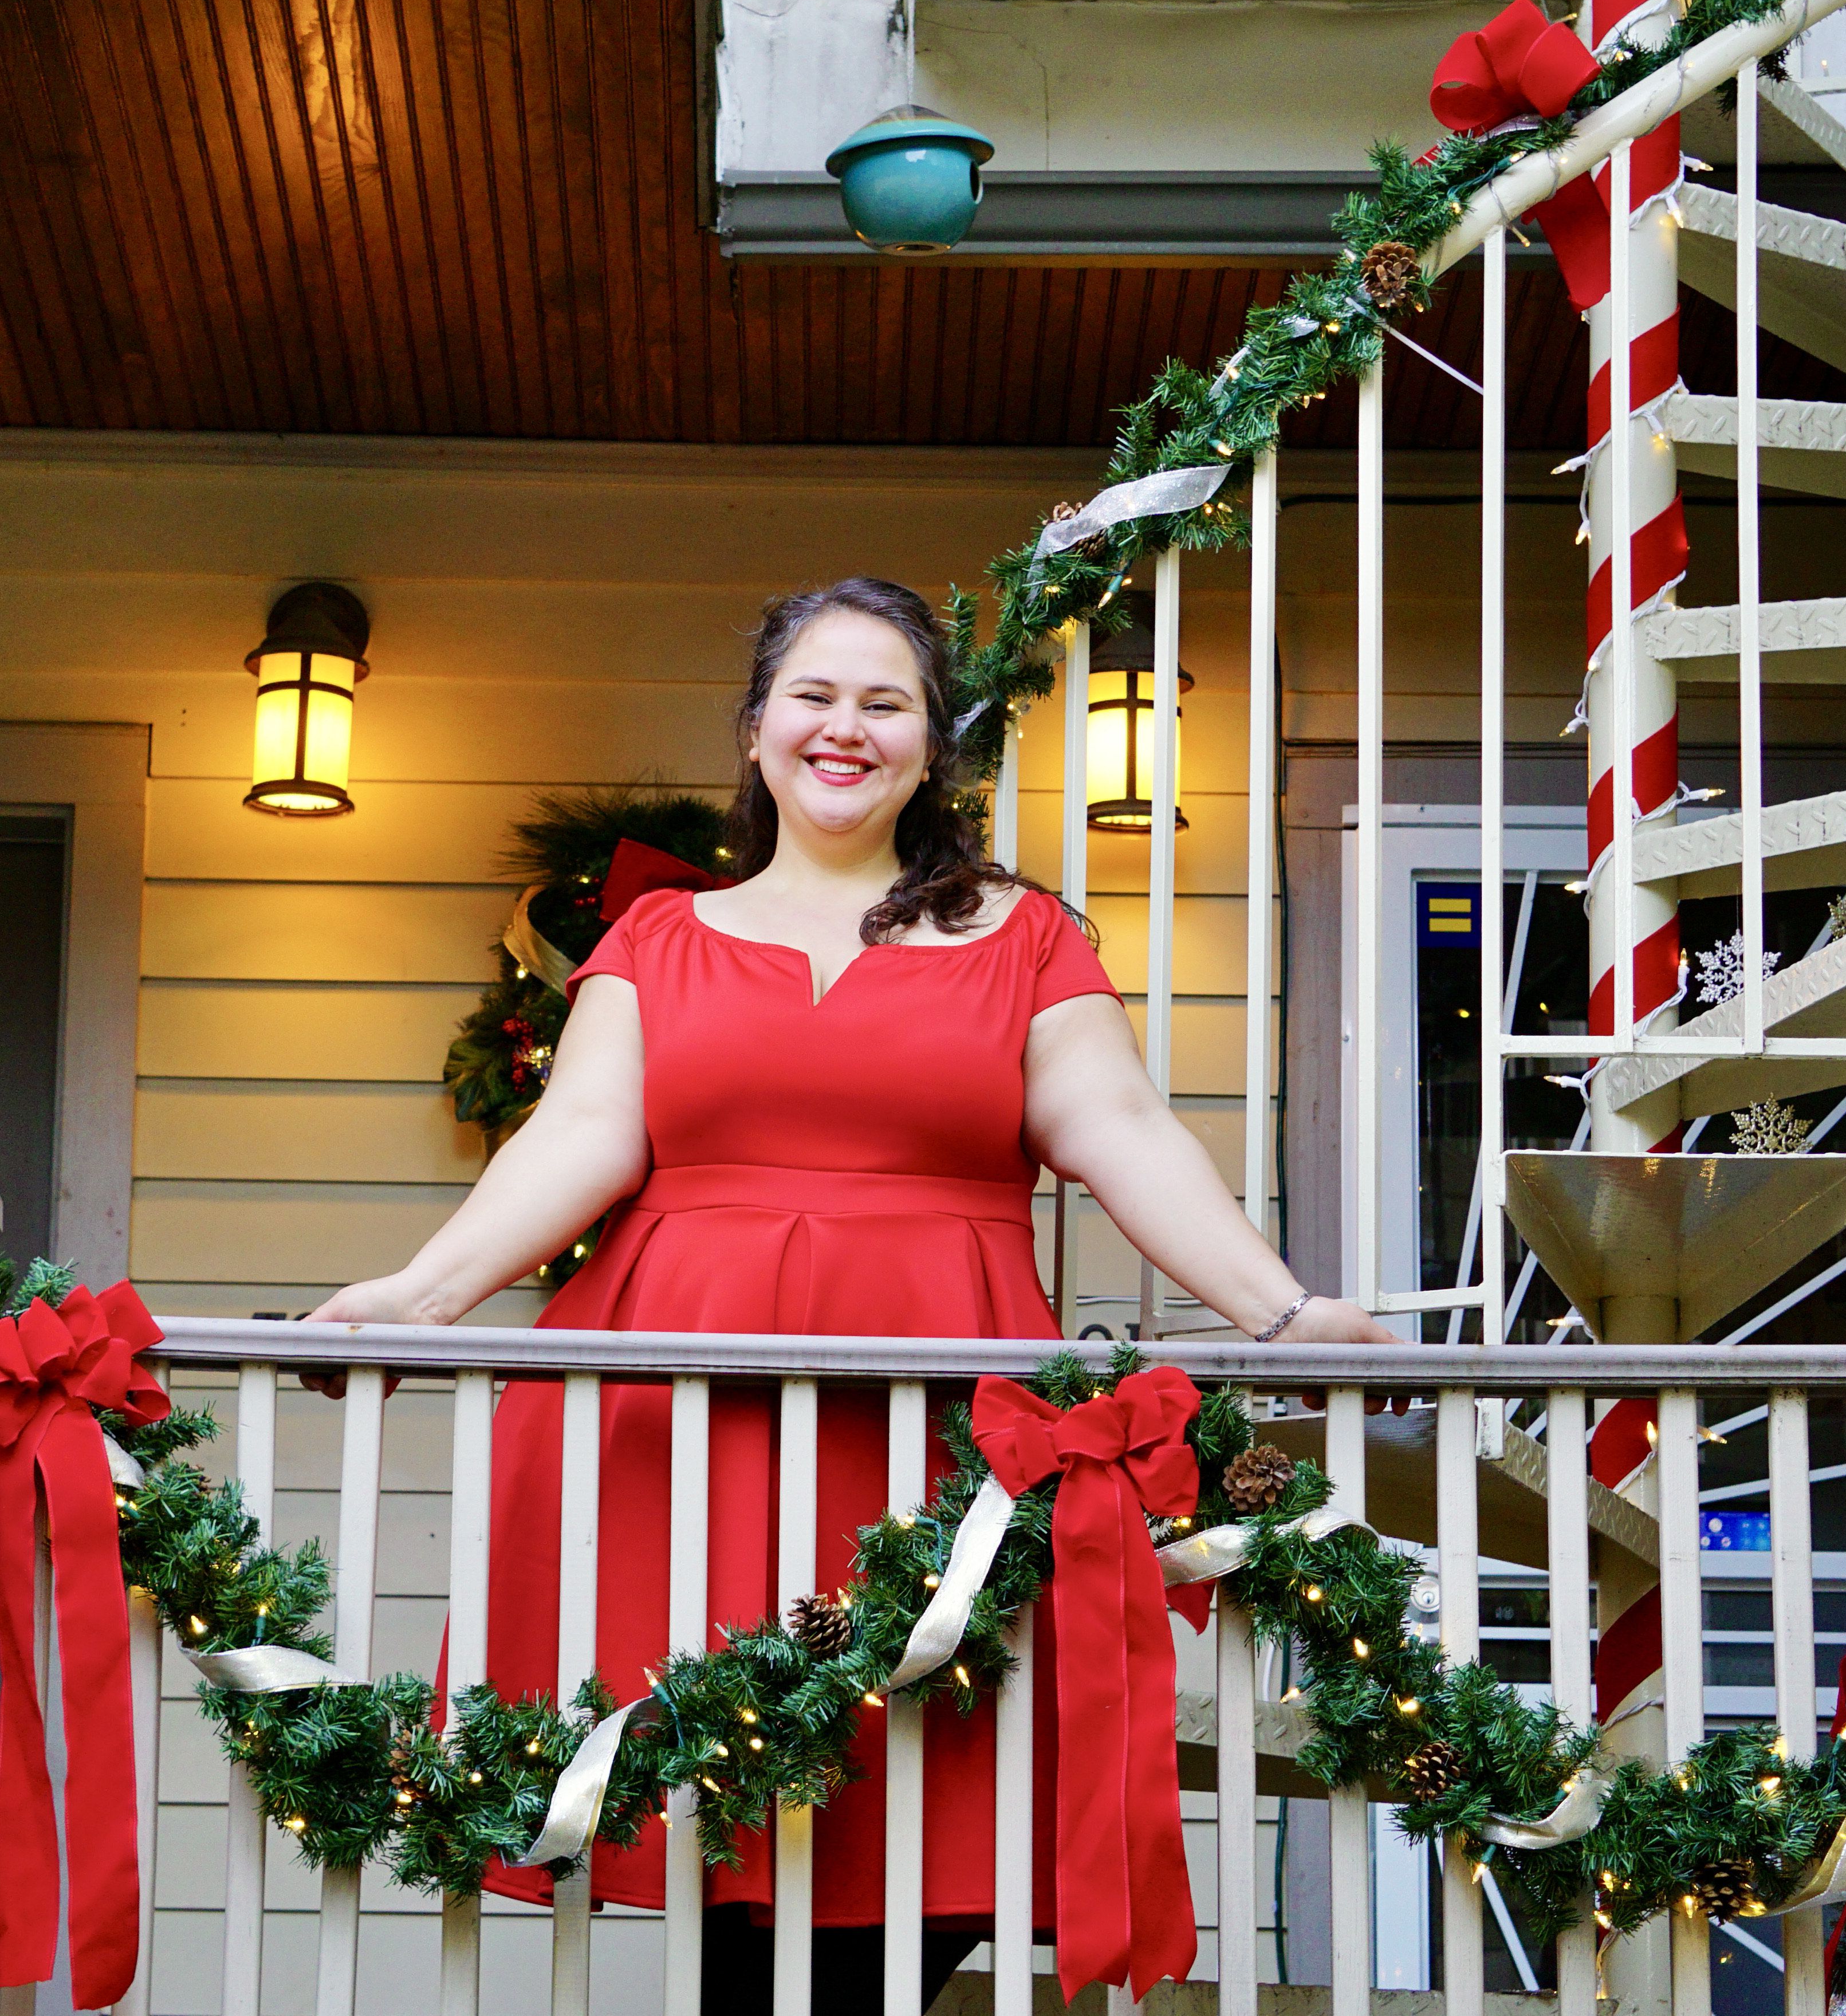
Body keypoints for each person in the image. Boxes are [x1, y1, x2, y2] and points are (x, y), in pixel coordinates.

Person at [312, 576, 1385, 2010]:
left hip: (929, 1438)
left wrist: (1277, 1309)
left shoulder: (1027, 938)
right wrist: (421, 1292)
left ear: (931, 746)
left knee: (924, 1806)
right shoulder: (655, 943)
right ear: (756, 731)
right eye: (813, 695)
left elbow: (1123, 1132)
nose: (845, 727)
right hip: (679, 1432)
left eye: (886, 702)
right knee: (717, 1819)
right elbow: (574, 1141)